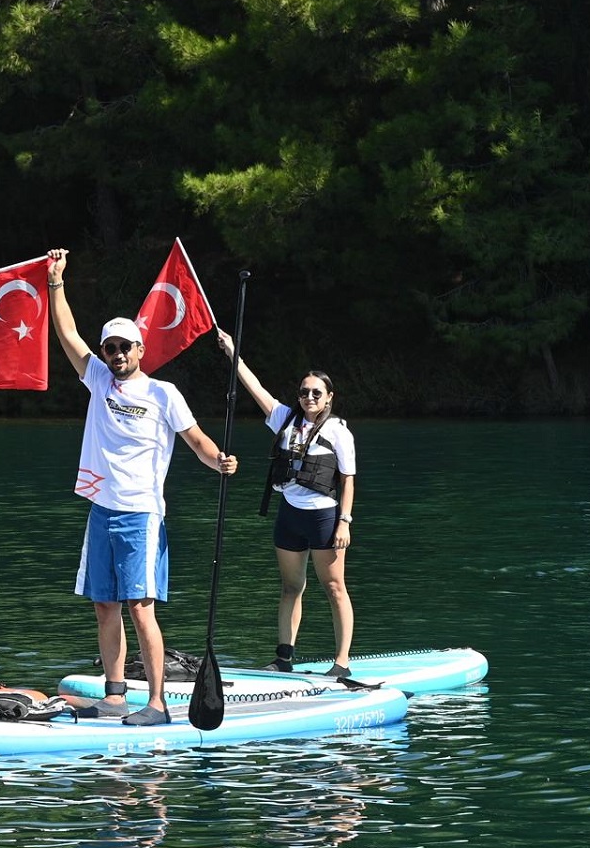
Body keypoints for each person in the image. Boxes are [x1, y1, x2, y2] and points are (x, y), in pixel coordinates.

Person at [46, 248, 238, 726]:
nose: (115, 355)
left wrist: (219, 460)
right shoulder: (96, 379)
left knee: (140, 607)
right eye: (109, 348)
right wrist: (56, 283)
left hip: (141, 514)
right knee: (104, 606)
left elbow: (195, 439)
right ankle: (115, 696)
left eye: (123, 347)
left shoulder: (162, 392)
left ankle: (157, 704)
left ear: (139, 350)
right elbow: (66, 334)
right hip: (101, 510)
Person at [216, 330, 357, 677]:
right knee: (291, 586)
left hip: (324, 517)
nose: (309, 397)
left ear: (328, 398)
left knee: (334, 586)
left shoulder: (339, 431)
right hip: (290, 515)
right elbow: (256, 389)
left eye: (316, 393)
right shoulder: (285, 420)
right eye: (304, 392)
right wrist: (233, 352)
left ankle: (341, 663)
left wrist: (345, 521)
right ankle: (283, 657)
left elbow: (348, 479)